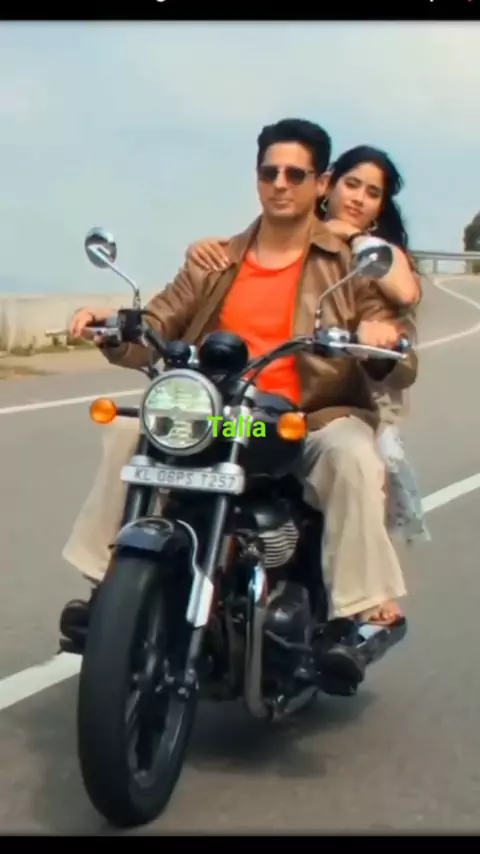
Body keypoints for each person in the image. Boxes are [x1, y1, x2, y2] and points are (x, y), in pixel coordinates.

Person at [60, 118, 418, 683]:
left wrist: (381, 339)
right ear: (257, 177)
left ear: (320, 183)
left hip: (305, 420)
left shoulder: (348, 263)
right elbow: (158, 321)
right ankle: (109, 588)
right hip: (225, 420)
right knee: (130, 430)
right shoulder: (216, 259)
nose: (280, 184)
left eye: (295, 174)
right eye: (269, 172)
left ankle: (359, 614)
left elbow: (396, 343)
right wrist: (114, 328)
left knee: (351, 454)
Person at [183, 145, 430, 545]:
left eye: (372, 193)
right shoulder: (290, 237)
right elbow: (251, 252)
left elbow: (406, 292)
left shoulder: (370, 255)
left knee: (357, 471)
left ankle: (360, 579)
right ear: (327, 186)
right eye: (351, 185)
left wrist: (354, 239)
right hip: (253, 403)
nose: (358, 198)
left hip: (352, 395)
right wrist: (210, 250)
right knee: (148, 436)